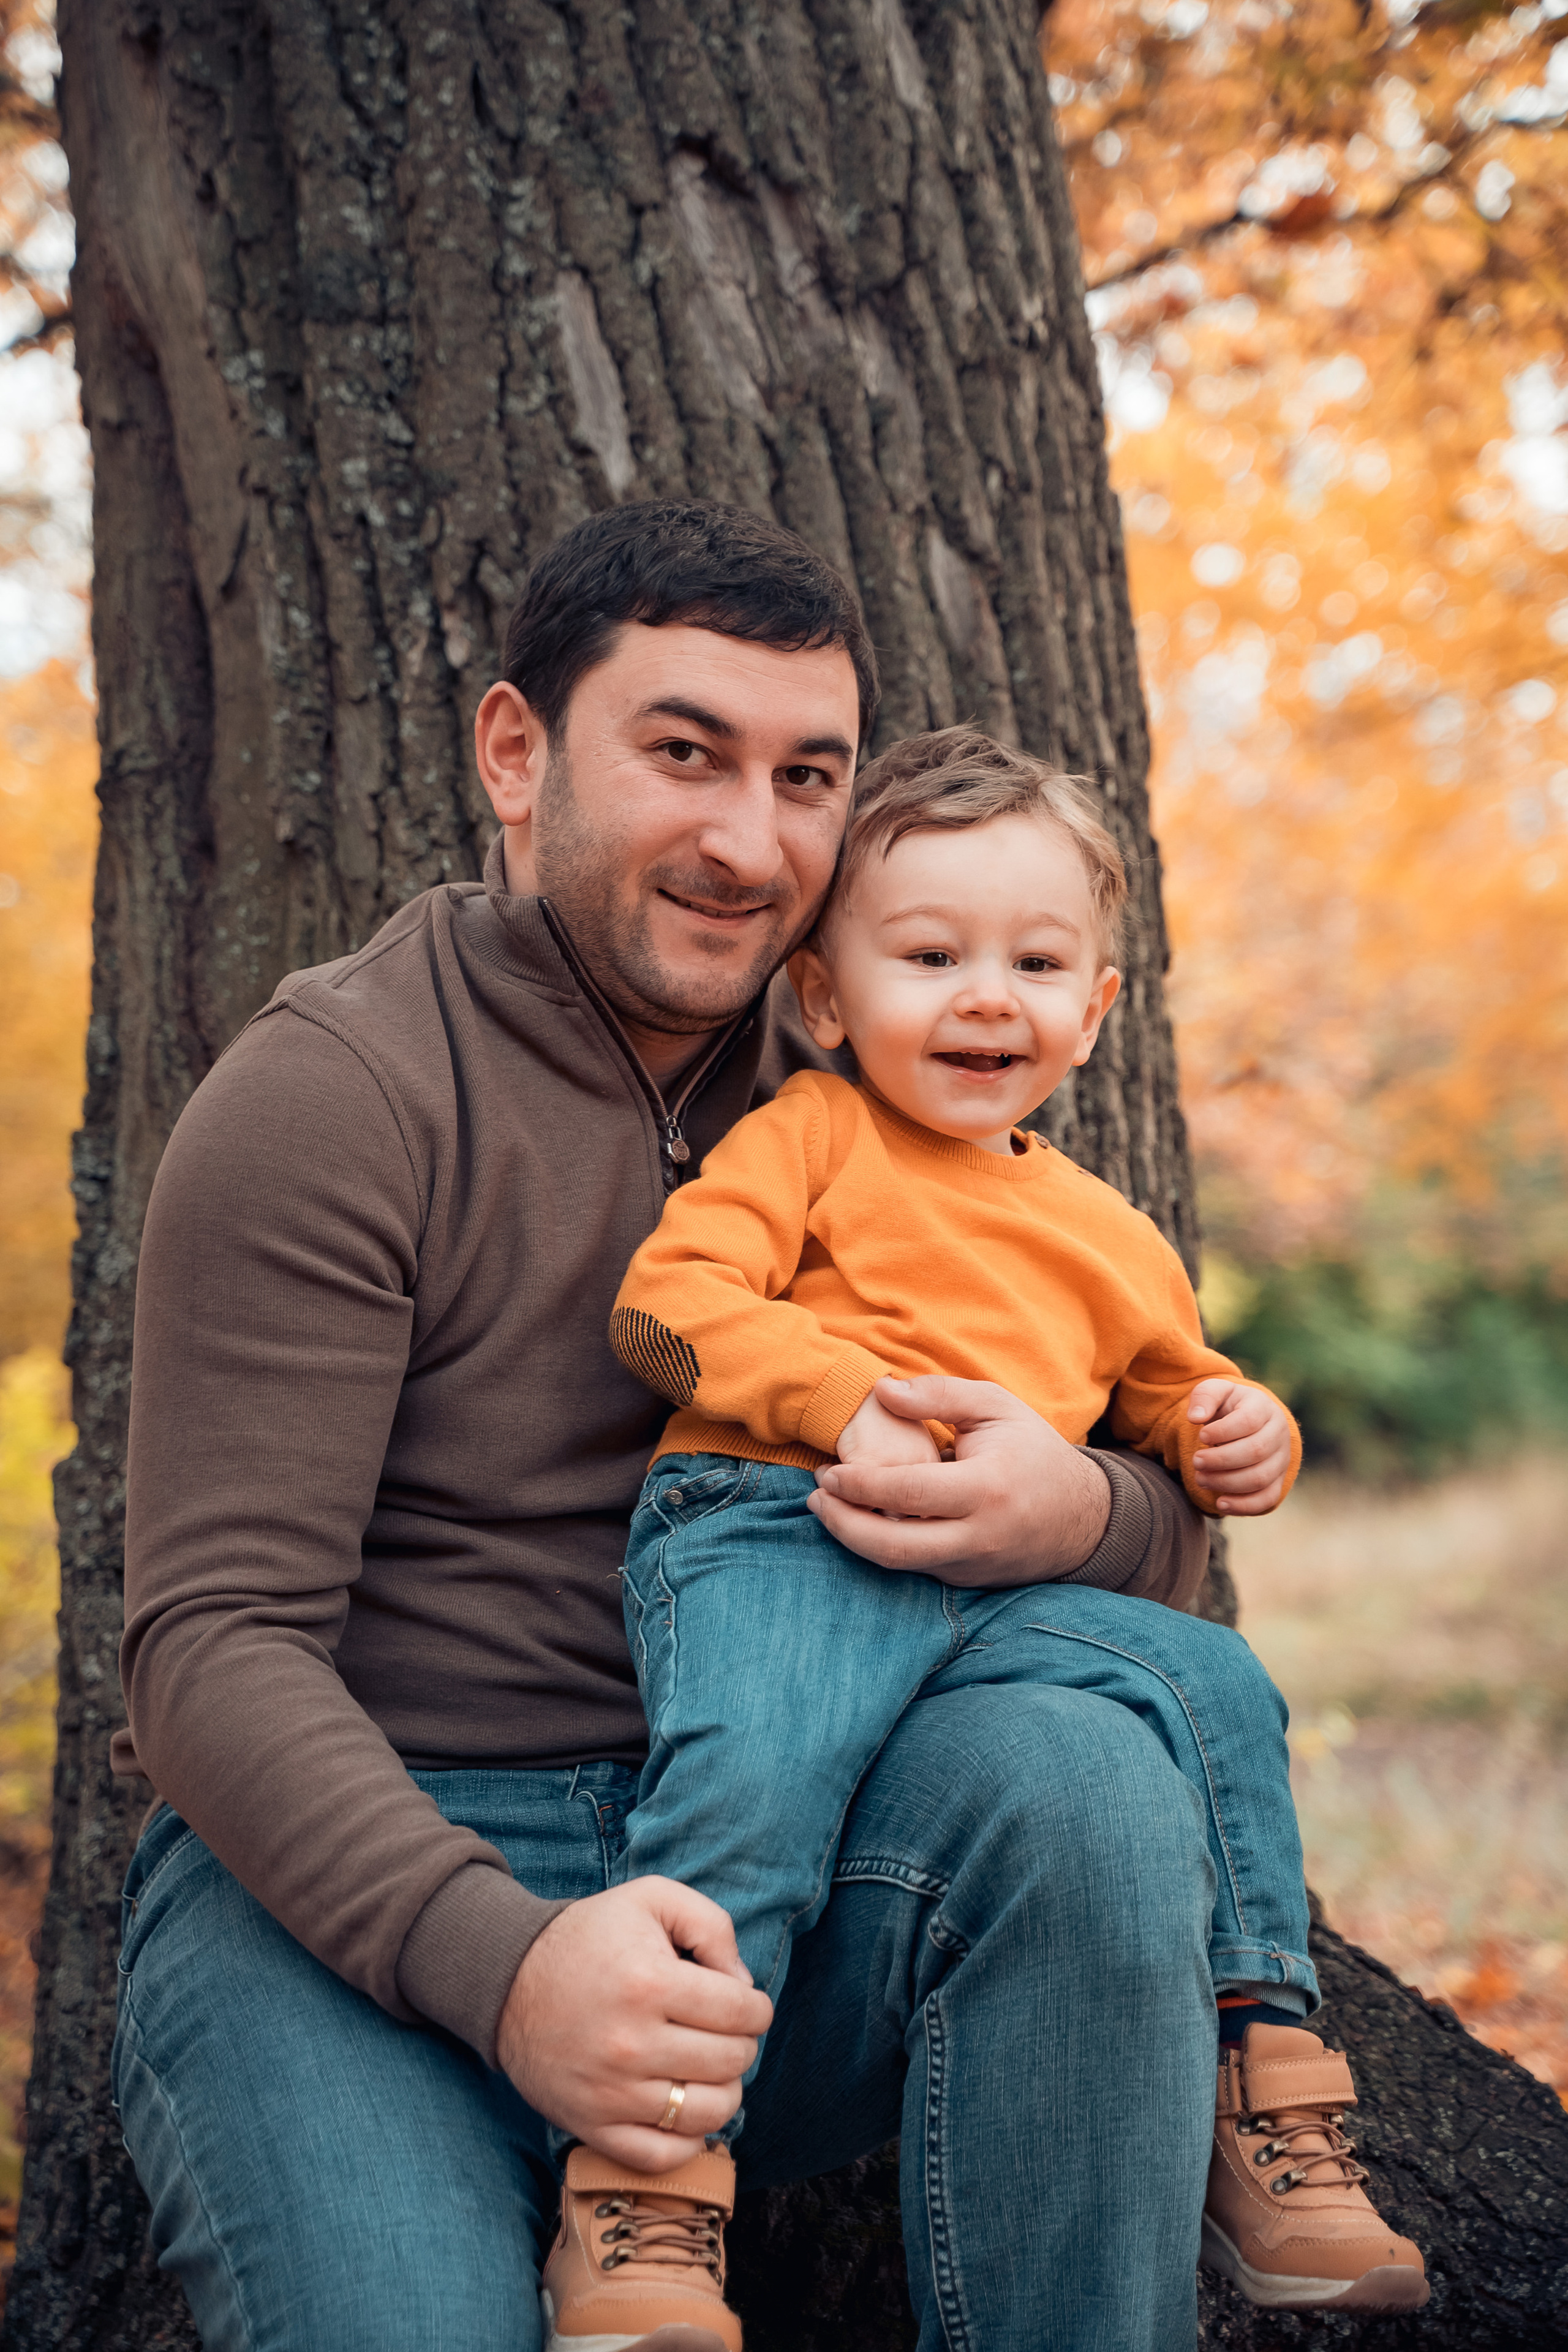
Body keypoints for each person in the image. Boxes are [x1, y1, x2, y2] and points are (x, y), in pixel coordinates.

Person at [118, 501, 1224, 2352]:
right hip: (360, 1905)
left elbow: (1152, 1502)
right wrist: (511, 1962)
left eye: (808, 776)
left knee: (1092, 1773)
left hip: (768, 1883)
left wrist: (1091, 1516)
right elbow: (209, 1648)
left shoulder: (894, 1069)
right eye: (685, 753)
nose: (750, 839)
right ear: (516, 752)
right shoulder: (339, 1095)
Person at [605, 728, 1430, 2334]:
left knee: (1219, 1691)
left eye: (1036, 961)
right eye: (931, 956)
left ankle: (1267, 2096)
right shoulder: (813, 1138)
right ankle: (644, 2191)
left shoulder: (1108, 1229)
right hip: (786, 1527)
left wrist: (1246, 1424)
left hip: (992, 1593)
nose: (989, 996)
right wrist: (842, 1401)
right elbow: (669, 1309)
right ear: (828, 999)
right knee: (747, 1800)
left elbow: (1175, 1397)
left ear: (1097, 1007)